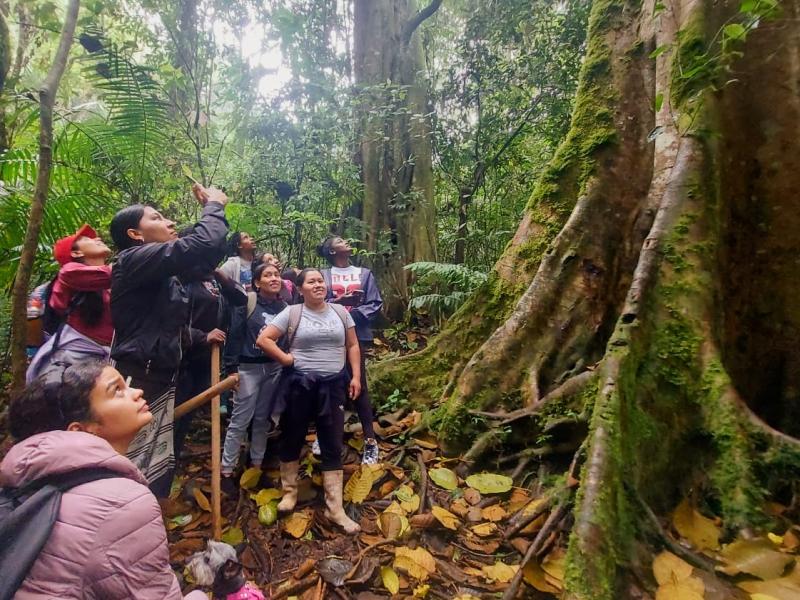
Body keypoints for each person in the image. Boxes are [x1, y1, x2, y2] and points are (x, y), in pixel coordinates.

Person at [2, 360, 206, 599]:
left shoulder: (25, 472)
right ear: (81, 430)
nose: (137, 392)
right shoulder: (123, 502)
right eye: (117, 391)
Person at [109, 185, 229, 497]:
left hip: (161, 375)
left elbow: (208, 252)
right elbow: (203, 243)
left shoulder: (161, 273)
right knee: (130, 465)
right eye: (158, 218)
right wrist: (214, 206)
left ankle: (150, 528)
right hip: (137, 378)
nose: (170, 223)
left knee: (156, 465)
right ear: (135, 234)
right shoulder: (134, 260)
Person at [256, 268, 362, 534]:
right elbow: (264, 339)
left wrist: (356, 377)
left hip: (333, 385)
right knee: (292, 436)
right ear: (300, 288)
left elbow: (352, 345)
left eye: (320, 281)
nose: (318, 285)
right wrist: (286, 359)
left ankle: (334, 507)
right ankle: (290, 493)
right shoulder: (292, 313)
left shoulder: (341, 313)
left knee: (331, 440)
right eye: (311, 281)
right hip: (300, 385)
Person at [220, 262, 287, 493]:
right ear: (257, 282)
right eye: (267, 275)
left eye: (276, 275)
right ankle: (226, 471)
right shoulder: (248, 303)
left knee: (261, 420)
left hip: (273, 368)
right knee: (240, 419)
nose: (274, 278)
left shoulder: (284, 307)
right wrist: (231, 369)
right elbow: (235, 335)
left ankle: (255, 467)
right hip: (248, 368)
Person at [317, 236, 383, 464]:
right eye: (339, 240)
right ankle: (324, 435)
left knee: (359, 384)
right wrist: (339, 303)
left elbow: (374, 303)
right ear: (331, 251)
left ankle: (371, 441)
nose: (346, 241)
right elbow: (316, 302)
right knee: (329, 383)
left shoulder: (364, 274)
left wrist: (350, 316)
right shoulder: (323, 276)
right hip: (328, 334)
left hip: (356, 335)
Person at [174, 261, 246, 461]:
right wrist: (201, 336)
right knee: (175, 413)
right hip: (181, 359)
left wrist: (218, 272)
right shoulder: (179, 277)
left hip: (206, 358)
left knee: (188, 412)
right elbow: (168, 322)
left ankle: (174, 461)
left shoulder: (213, 279)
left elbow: (241, 298)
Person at [26, 225, 114, 383]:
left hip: (105, 356)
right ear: (76, 252)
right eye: (88, 239)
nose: (98, 239)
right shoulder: (68, 273)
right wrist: (33, 353)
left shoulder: (107, 285)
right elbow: (32, 319)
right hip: (76, 357)